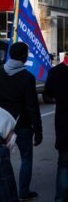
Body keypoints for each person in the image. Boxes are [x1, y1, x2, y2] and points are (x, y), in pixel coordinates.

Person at [0, 42, 43, 201]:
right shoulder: (27, 77)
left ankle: (1, 189)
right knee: (26, 158)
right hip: (22, 125)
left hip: (0, 124)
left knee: (0, 159)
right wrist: (38, 130)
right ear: (24, 57)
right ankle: (23, 192)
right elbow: (32, 106)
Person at [45, 52, 68, 202]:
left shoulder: (55, 71)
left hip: (64, 123)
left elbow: (48, 93)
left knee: (64, 164)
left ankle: (60, 198)